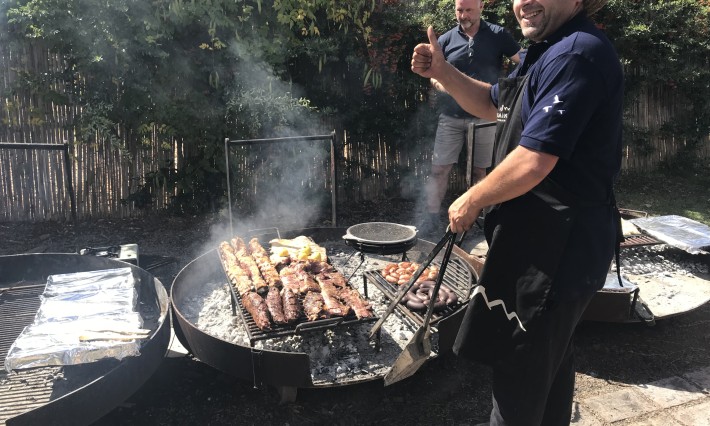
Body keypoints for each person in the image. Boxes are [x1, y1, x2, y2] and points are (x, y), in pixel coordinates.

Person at [412, 0, 622, 424]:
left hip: (557, 249)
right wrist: (443, 72)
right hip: (540, 239)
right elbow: (493, 103)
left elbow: (534, 161)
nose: (523, 2)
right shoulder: (546, 49)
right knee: (548, 368)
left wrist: (472, 198)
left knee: (518, 379)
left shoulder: (576, 54)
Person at [421, 0, 521, 234]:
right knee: (439, 169)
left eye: (468, 10)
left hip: (485, 117)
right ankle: (431, 219)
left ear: (481, 7)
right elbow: (433, 74)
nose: (463, 15)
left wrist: (505, 90)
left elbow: (522, 61)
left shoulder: (498, 34)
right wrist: (443, 85)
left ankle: (479, 219)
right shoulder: (446, 40)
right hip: (451, 117)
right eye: (459, 10)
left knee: (480, 171)